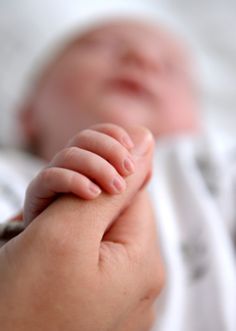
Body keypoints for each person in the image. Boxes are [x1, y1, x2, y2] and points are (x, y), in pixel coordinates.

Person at [0, 12, 235, 331]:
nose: (143, 58)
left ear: (197, 121)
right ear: (28, 113)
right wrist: (20, 232)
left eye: (173, 68)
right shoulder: (8, 173)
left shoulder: (208, 161)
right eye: (101, 46)